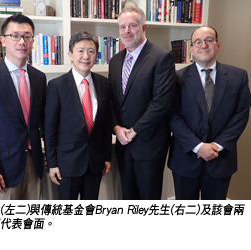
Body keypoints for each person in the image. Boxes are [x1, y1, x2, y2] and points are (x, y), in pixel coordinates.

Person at [168, 27, 251, 200]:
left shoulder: (239, 76)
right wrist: (198, 146)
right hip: (185, 159)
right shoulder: (176, 79)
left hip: (220, 159)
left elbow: (241, 114)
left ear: (218, 44)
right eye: (197, 42)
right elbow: (172, 115)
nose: (203, 45)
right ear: (191, 49)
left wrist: (217, 146)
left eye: (209, 40)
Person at [0, 14, 46, 200]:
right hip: (3, 169)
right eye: (15, 36)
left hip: (34, 163)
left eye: (27, 36)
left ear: (32, 42)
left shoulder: (39, 78)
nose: (22, 41)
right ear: (3, 40)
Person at [108, 6, 176, 200]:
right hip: (123, 142)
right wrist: (116, 128)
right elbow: (111, 99)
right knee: (128, 196)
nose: (126, 31)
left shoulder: (161, 57)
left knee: (148, 196)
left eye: (132, 25)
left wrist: (134, 130)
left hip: (149, 143)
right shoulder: (115, 61)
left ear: (144, 27)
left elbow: (161, 102)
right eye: (122, 27)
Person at [44, 31, 112, 200]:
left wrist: (107, 157)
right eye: (80, 51)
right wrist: (52, 164)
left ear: (96, 55)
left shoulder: (104, 83)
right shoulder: (56, 86)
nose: (85, 56)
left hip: (95, 162)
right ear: (70, 55)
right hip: (67, 165)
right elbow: (50, 129)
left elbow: (105, 124)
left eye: (91, 51)